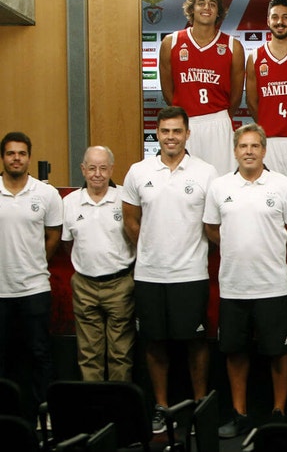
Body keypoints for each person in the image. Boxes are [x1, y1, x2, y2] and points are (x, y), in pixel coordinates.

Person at [122, 106, 219, 433]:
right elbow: (131, 220)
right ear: (157, 134)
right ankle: (161, 408)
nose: (171, 137)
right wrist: (151, 249)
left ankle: (199, 407)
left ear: (187, 134)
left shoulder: (206, 173)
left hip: (191, 275)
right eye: (165, 131)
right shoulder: (138, 171)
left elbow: (214, 223)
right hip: (150, 275)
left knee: (195, 344)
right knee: (155, 344)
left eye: (177, 131)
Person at [204, 124, 287, 438]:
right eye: (243, 146)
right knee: (235, 352)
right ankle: (240, 413)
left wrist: (267, 247)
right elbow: (212, 230)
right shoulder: (219, 187)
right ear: (234, 151)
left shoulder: (283, 185)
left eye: (255, 146)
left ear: (264, 150)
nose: (249, 151)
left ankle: (279, 413)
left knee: (279, 352)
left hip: (272, 284)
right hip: (234, 286)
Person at [0, 132, 62, 418]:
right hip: (1, 291)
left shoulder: (46, 194)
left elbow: (53, 237)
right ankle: (8, 416)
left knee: (40, 354)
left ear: (28, 157)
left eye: (21, 153)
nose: (16, 158)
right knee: (4, 357)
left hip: (35, 288)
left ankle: (42, 414)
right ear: (3, 158)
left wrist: (34, 262)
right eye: (11, 153)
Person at [62, 146, 136, 382]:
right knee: (89, 354)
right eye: (92, 168)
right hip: (84, 285)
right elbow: (67, 244)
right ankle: (93, 409)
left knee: (121, 353)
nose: (97, 174)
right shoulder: (70, 202)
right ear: (83, 169)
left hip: (120, 285)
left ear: (112, 169)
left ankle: (118, 408)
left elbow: (136, 236)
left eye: (103, 168)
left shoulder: (125, 199)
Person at [159, 0, 245, 175]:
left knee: (221, 182)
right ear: (192, 9)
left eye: (212, 4)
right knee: (185, 182)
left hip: (218, 122)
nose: (207, 8)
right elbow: (167, 92)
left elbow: (236, 96)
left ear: (218, 13)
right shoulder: (171, 42)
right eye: (201, 3)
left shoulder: (233, 46)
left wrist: (216, 115)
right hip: (185, 123)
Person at [246, 0, 287, 184]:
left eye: (285, 17)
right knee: (271, 197)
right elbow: (252, 102)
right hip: (270, 141)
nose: (280, 22)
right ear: (268, 20)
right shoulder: (255, 57)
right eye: (275, 17)